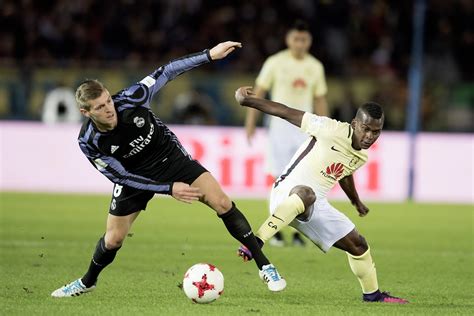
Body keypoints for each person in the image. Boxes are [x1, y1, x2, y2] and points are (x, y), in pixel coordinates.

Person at [51, 42, 286, 298]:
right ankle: (87, 282)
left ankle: (266, 266)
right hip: (136, 177)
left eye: (108, 100)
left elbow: (168, 70)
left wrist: (209, 55)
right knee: (113, 239)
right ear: (85, 112)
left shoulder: (131, 98)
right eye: (100, 107)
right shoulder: (89, 141)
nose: (109, 109)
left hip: (172, 159)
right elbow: (121, 176)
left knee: (222, 202)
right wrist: (168, 189)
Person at [234, 86, 408, 304]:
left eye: (376, 132)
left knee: (359, 245)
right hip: (286, 193)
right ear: (354, 124)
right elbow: (286, 111)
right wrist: (247, 101)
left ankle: (373, 295)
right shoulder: (329, 128)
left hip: (314, 203)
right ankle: (257, 241)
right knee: (307, 193)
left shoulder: (361, 156)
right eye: (365, 129)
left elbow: (345, 174)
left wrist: (356, 201)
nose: (369, 136)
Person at [245, 20, 329, 247]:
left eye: (304, 40)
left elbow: (319, 99)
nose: (300, 44)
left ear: (309, 41)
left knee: (306, 178)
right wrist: (250, 122)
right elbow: (258, 93)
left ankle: (300, 233)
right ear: (288, 39)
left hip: (306, 128)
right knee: (279, 178)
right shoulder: (275, 62)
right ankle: (277, 231)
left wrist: (327, 129)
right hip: (279, 128)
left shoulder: (315, 67)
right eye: (296, 39)